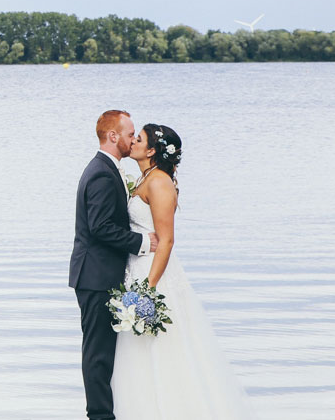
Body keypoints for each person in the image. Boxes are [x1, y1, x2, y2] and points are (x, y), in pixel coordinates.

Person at [111, 124, 257, 419]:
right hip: (135, 269)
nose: (132, 142)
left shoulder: (160, 182)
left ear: (151, 151)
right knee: (137, 353)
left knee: (165, 350)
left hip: (153, 275)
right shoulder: (145, 177)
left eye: (138, 139)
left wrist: (148, 289)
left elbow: (167, 240)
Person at [70, 110, 155, 420]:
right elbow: (100, 227)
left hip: (99, 275)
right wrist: (143, 242)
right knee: (97, 354)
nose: (133, 138)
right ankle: (100, 416)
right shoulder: (102, 173)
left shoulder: (108, 169)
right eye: (130, 132)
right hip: (95, 277)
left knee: (103, 353)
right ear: (113, 136)